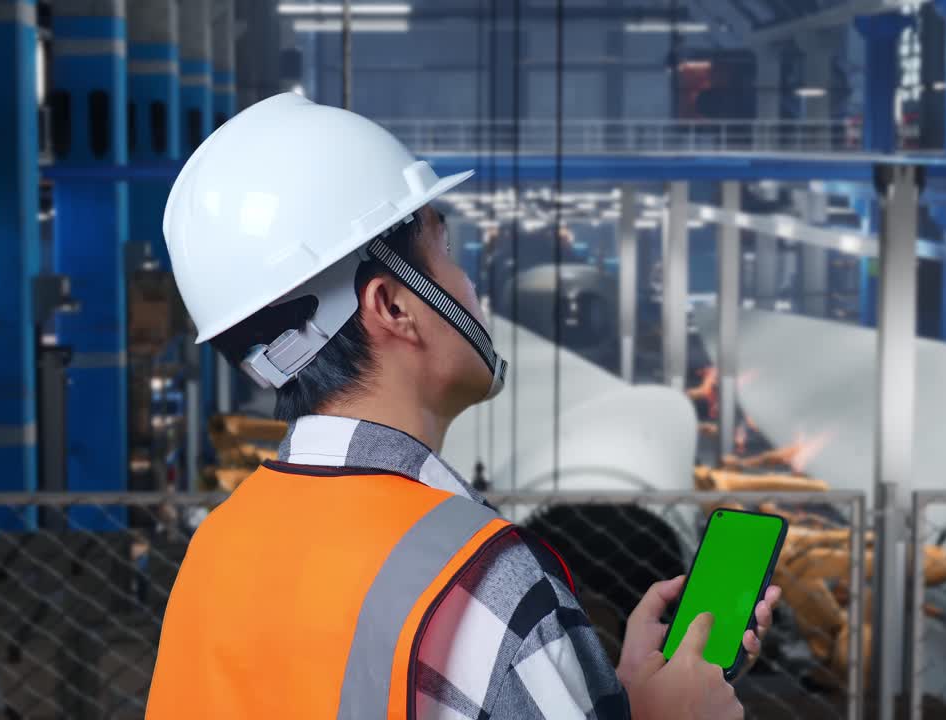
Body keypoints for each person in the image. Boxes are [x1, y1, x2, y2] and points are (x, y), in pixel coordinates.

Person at [146, 93, 781, 719]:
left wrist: (615, 700)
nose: (468, 284)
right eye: (445, 254)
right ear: (393, 306)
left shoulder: (218, 545)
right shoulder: (483, 583)